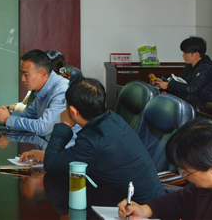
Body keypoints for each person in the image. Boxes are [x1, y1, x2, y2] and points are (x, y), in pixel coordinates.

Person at [20, 78, 165, 204]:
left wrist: (64, 125)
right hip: (141, 199)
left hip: (139, 209)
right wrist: (47, 155)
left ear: (74, 111)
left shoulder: (95, 140)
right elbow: (77, 157)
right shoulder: (111, 118)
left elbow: (51, 165)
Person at [118, 118, 212, 220]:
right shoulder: (205, 185)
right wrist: (145, 210)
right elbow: (180, 201)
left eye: (187, 172)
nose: (185, 176)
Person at [0, 49, 77, 137]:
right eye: (22, 74)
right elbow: (28, 115)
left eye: (26, 75)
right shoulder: (42, 88)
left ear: (43, 73)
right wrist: (6, 114)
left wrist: (8, 119)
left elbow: (43, 128)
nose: (23, 79)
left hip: (67, 144)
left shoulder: (62, 90)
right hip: (46, 142)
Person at [151, 36, 212, 111]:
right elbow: (181, 80)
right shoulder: (190, 66)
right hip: (198, 101)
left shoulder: (206, 68)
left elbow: (192, 88)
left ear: (196, 54)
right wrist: (163, 81)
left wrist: (168, 85)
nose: (183, 55)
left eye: (186, 53)